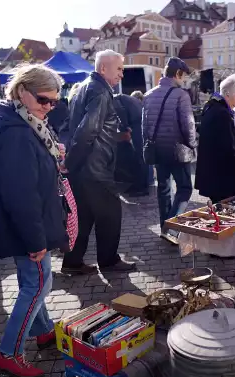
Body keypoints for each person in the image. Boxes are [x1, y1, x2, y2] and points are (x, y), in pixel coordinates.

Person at [0, 64, 69, 377]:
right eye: (44, 100)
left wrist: (52, 155)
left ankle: (43, 331)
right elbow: (20, 194)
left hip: (27, 223)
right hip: (26, 226)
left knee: (35, 280)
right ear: (21, 92)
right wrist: (36, 241)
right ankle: (9, 352)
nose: (49, 107)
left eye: (54, 102)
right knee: (37, 284)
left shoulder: (23, 122)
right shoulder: (16, 133)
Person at [63, 50, 136, 275]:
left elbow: (89, 128)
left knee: (83, 217)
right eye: (119, 69)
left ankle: (72, 262)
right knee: (110, 214)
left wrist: (72, 163)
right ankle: (109, 260)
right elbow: (88, 130)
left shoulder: (83, 88)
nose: (122, 75)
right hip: (95, 168)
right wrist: (71, 161)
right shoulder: (101, 91)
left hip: (84, 168)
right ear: (103, 68)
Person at [142, 57, 196, 246]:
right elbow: (188, 124)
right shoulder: (181, 95)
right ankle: (172, 228)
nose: (184, 80)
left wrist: (147, 145)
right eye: (184, 76)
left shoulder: (148, 95)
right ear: (178, 74)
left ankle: (165, 226)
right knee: (185, 188)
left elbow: (144, 126)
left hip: (157, 149)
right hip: (177, 150)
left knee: (163, 189)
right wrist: (192, 145)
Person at [196, 75, 235, 202]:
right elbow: (229, 147)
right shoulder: (222, 113)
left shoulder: (211, 106)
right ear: (228, 94)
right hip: (223, 177)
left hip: (213, 174)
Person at [113, 93, 148, 196]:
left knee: (139, 157)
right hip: (139, 123)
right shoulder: (123, 98)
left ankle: (142, 188)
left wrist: (125, 128)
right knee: (139, 157)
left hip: (135, 125)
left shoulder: (112, 99)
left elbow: (120, 113)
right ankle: (138, 185)